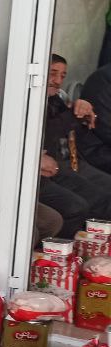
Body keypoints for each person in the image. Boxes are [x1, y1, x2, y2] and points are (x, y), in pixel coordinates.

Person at [39, 54, 111, 235]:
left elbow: (76, 132)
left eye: (62, 76)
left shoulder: (57, 100)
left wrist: (85, 117)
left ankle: (96, 242)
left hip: (74, 160)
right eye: (52, 73)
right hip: (55, 166)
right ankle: (74, 245)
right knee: (83, 204)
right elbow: (50, 134)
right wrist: (74, 115)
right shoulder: (33, 102)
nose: (58, 81)